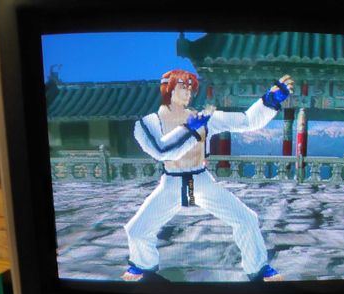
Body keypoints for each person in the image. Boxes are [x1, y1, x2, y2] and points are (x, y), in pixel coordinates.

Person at [122, 69, 294, 282]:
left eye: (190, 88)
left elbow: (247, 121)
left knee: (247, 219)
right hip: (172, 183)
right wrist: (189, 129)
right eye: (182, 86)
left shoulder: (204, 118)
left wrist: (269, 101)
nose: (188, 92)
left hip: (200, 181)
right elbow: (162, 151)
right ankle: (142, 265)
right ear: (168, 89)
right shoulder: (147, 123)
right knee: (136, 230)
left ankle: (258, 269)